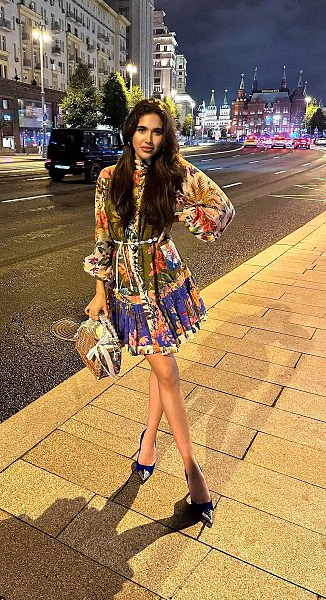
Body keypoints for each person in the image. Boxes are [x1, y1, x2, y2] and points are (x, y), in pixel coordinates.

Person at [84, 98, 235, 527]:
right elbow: (102, 238)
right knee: (166, 371)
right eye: (141, 130)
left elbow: (222, 211)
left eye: (156, 131)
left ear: (165, 136)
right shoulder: (108, 178)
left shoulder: (175, 172)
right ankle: (187, 465)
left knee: (161, 369)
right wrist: (99, 290)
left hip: (164, 279)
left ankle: (157, 449)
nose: (148, 139)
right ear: (129, 132)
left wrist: (182, 206)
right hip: (127, 285)